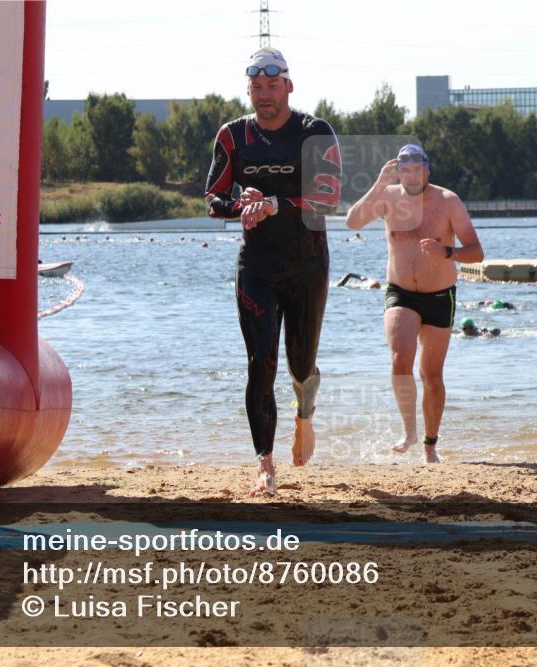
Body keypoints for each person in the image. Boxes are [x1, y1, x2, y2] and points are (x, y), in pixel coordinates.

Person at [204, 47, 342, 495]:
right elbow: (212, 199)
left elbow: (329, 198)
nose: (264, 95)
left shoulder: (314, 132)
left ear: (289, 85)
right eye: (256, 87)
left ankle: (305, 413)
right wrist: (239, 206)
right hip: (257, 268)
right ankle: (265, 463)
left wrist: (276, 204)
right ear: (249, 90)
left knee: (300, 367)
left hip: (307, 265)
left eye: (272, 85)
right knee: (259, 364)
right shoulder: (232, 136)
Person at [345, 144, 483, 463]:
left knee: (431, 376)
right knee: (400, 357)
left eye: (416, 169)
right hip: (401, 292)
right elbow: (353, 222)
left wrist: (447, 252)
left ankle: (429, 445)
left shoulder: (448, 202)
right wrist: (379, 183)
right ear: (398, 172)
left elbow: (476, 251)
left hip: (440, 295)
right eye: (404, 170)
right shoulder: (389, 196)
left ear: (427, 170)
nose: (410, 176)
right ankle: (408, 430)